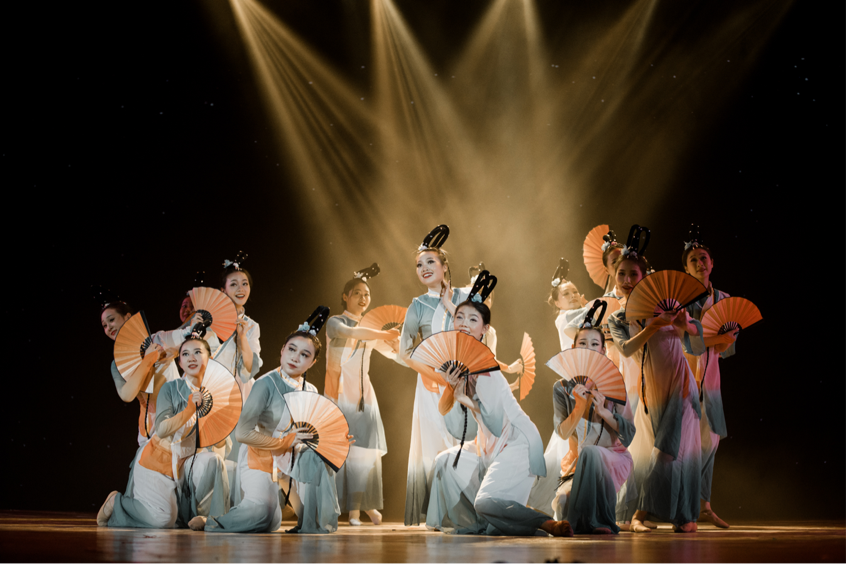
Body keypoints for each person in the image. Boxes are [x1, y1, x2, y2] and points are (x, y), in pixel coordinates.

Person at [426, 283, 573, 537]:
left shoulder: (486, 366)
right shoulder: (456, 361)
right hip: (489, 443)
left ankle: (544, 522)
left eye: (473, 319)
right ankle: (486, 521)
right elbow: (442, 408)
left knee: (486, 504)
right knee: (444, 462)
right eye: (459, 317)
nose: (464, 323)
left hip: (517, 441)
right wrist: (451, 388)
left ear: (484, 329)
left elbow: (494, 421)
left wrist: (464, 398)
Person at [199, 312, 353, 534]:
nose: (295, 358)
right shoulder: (265, 384)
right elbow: (242, 433)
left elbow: (313, 433)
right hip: (260, 456)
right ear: (282, 350)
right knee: (265, 518)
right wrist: (283, 442)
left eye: (304, 354)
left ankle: (311, 522)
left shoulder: (310, 390)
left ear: (312, 362)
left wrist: (336, 440)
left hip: (290, 458)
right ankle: (211, 521)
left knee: (321, 459)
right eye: (291, 349)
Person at [607, 227, 705, 533]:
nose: (626, 280)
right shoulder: (617, 318)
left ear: (643, 276)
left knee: (671, 449)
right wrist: (653, 326)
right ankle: (663, 516)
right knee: (649, 452)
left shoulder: (667, 303)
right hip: (650, 389)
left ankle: (670, 515)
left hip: (679, 383)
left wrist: (686, 324)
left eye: (632, 274)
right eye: (621, 274)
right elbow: (626, 349)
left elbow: (696, 345)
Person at [97, 336, 230, 529]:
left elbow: (219, 444)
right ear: (180, 363)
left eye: (197, 352)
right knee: (163, 520)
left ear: (209, 359)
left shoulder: (215, 395)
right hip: (158, 461)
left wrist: (220, 431)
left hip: (186, 463)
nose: (192, 358)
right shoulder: (170, 388)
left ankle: (212, 519)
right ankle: (117, 503)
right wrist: (189, 410)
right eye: (185, 354)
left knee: (215, 461)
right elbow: (162, 429)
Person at [397, 226, 471, 526]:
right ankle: (440, 511)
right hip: (431, 384)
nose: (424, 268)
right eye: (419, 264)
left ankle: (466, 507)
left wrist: (453, 307)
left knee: (463, 439)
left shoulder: (466, 297)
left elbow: (481, 334)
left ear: (444, 266)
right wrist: (438, 378)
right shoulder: (417, 305)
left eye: (430, 262)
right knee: (435, 443)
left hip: (465, 379)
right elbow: (405, 352)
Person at [325, 268, 398, 526]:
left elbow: (395, 355)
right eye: (357, 293)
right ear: (345, 296)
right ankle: (355, 508)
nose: (363, 298)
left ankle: (358, 509)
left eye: (367, 294)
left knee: (364, 454)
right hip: (340, 392)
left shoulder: (371, 329)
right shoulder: (335, 322)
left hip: (364, 396)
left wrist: (399, 345)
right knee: (343, 451)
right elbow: (353, 333)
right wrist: (383, 334)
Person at [550, 323, 636, 534]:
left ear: (603, 350)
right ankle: (585, 521)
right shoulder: (562, 387)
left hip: (613, 457)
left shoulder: (614, 383)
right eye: (583, 343)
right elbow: (563, 433)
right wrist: (579, 406)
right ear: (573, 347)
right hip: (578, 462)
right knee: (562, 503)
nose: (588, 348)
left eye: (595, 344)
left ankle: (598, 522)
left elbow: (628, 435)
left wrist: (605, 412)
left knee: (592, 452)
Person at [682, 229, 737, 529]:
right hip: (685, 376)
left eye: (703, 258)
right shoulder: (680, 300)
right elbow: (688, 344)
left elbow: (727, 350)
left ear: (712, 263)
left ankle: (704, 505)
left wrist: (723, 341)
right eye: (693, 260)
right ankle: (685, 506)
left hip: (712, 379)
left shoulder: (724, 300)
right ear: (686, 268)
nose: (700, 263)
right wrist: (717, 339)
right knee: (687, 444)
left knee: (710, 441)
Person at [98, 291, 178, 447]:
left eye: (111, 320)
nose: (108, 328)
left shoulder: (156, 340)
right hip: (151, 428)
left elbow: (185, 337)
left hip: (178, 412)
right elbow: (127, 394)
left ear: (128, 317)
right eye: (104, 326)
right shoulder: (117, 364)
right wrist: (148, 359)